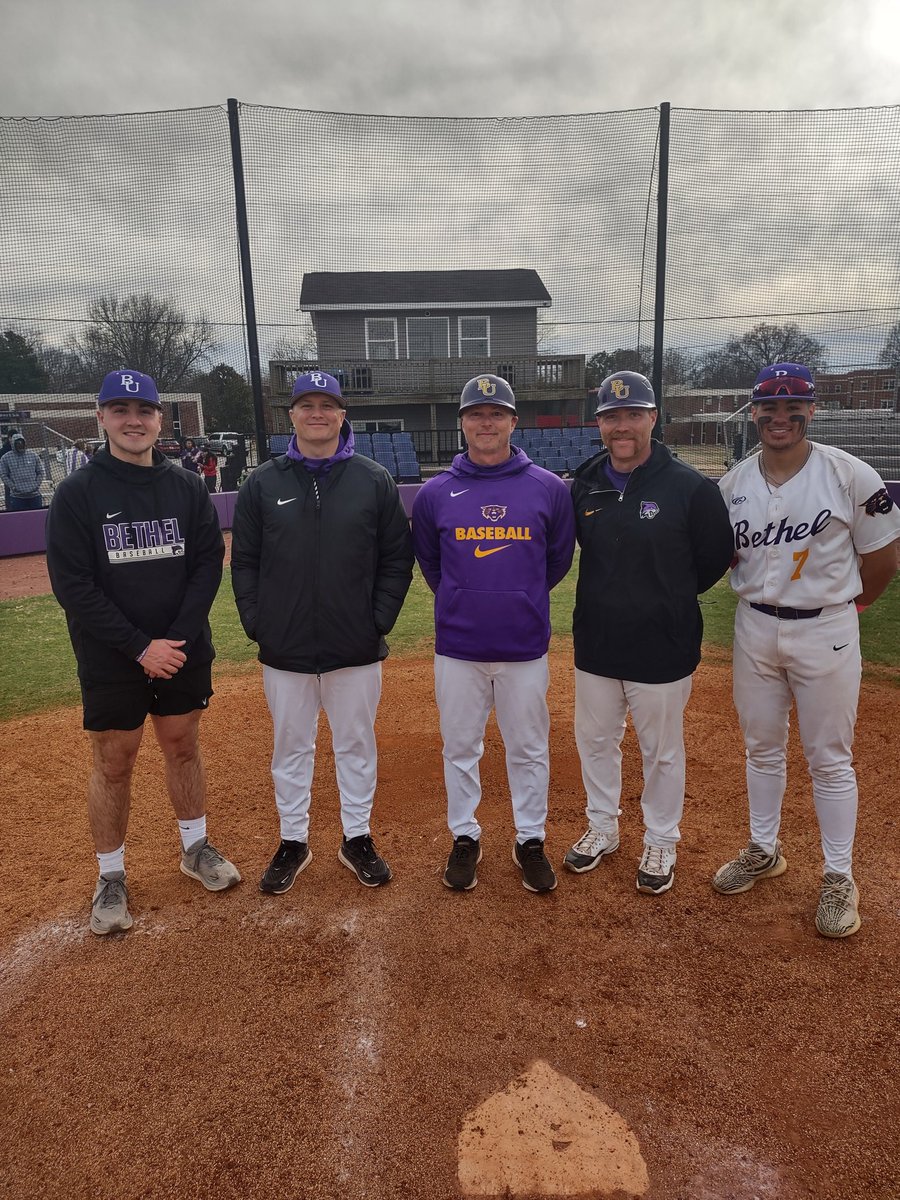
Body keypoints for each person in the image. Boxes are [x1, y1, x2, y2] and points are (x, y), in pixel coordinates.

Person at [45, 369, 240, 936]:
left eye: (144, 411)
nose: (134, 421)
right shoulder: (77, 493)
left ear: (159, 419)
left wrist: (173, 639)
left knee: (182, 744)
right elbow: (73, 585)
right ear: (101, 417)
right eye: (120, 410)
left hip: (180, 647)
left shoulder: (186, 486)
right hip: (112, 653)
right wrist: (138, 647)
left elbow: (207, 563)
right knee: (115, 760)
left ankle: (195, 848)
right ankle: (110, 876)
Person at [712, 362, 899, 937]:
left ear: (811, 410)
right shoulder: (733, 484)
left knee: (829, 758)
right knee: (761, 747)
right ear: (754, 413)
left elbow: (883, 559)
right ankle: (763, 849)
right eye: (769, 406)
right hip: (754, 626)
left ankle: (839, 876)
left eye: (793, 406)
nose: (781, 416)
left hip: (827, 627)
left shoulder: (849, 475)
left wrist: (849, 611)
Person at [231, 370, 413, 893]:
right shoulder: (262, 482)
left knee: (356, 744)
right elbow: (244, 561)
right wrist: (258, 622)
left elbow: (397, 559)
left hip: (355, 646)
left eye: (327, 405)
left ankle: (356, 837)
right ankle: (293, 840)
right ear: (290, 415)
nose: (317, 413)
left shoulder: (373, 479)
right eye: (306, 405)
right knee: (291, 747)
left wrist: (377, 621)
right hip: (284, 646)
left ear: (341, 414)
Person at [565, 371, 734, 895]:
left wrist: (666, 596)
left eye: (633, 415)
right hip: (597, 640)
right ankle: (603, 827)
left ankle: (661, 839)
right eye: (611, 416)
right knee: (596, 742)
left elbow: (713, 557)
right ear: (599, 424)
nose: (622, 426)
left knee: (661, 751)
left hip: (663, 642)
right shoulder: (584, 483)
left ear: (653, 419)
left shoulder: (688, 486)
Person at [412, 374, 575, 894]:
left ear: (512, 421)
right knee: (461, 747)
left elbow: (556, 562)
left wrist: (519, 597)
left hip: (523, 646)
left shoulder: (548, 488)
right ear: (462, 423)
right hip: (458, 647)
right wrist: (463, 598)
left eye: (496, 413)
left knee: (528, 747)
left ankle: (530, 839)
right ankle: (465, 835)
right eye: (476, 414)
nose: (487, 422)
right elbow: (431, 564)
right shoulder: (435, 493)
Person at [0, 432, 45, 511]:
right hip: (17, 497)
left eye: (22, 443)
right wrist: (13, 487)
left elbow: (40, 472)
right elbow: (3, 475)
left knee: (37, 517)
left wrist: (36, 485)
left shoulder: (33, 456)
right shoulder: (6, 458)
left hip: (34, 495)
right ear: (13, 444)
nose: (20, 445)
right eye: (18, 444)